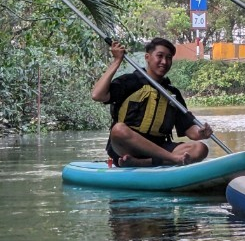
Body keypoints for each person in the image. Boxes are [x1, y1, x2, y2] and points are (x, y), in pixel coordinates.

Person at [91, 37, 212, 166]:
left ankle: (141, 163)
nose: (164, 62)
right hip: (127, 148)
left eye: (169, 58)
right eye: (159, 56)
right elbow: (97, 95)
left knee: (200, 148)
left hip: (159, 147)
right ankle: (172, 159)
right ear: (147, 57)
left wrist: (201, 133)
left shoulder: (172, 93)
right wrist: (117, 60)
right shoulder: (130, 82)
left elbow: (191, 131)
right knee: (118, 130)